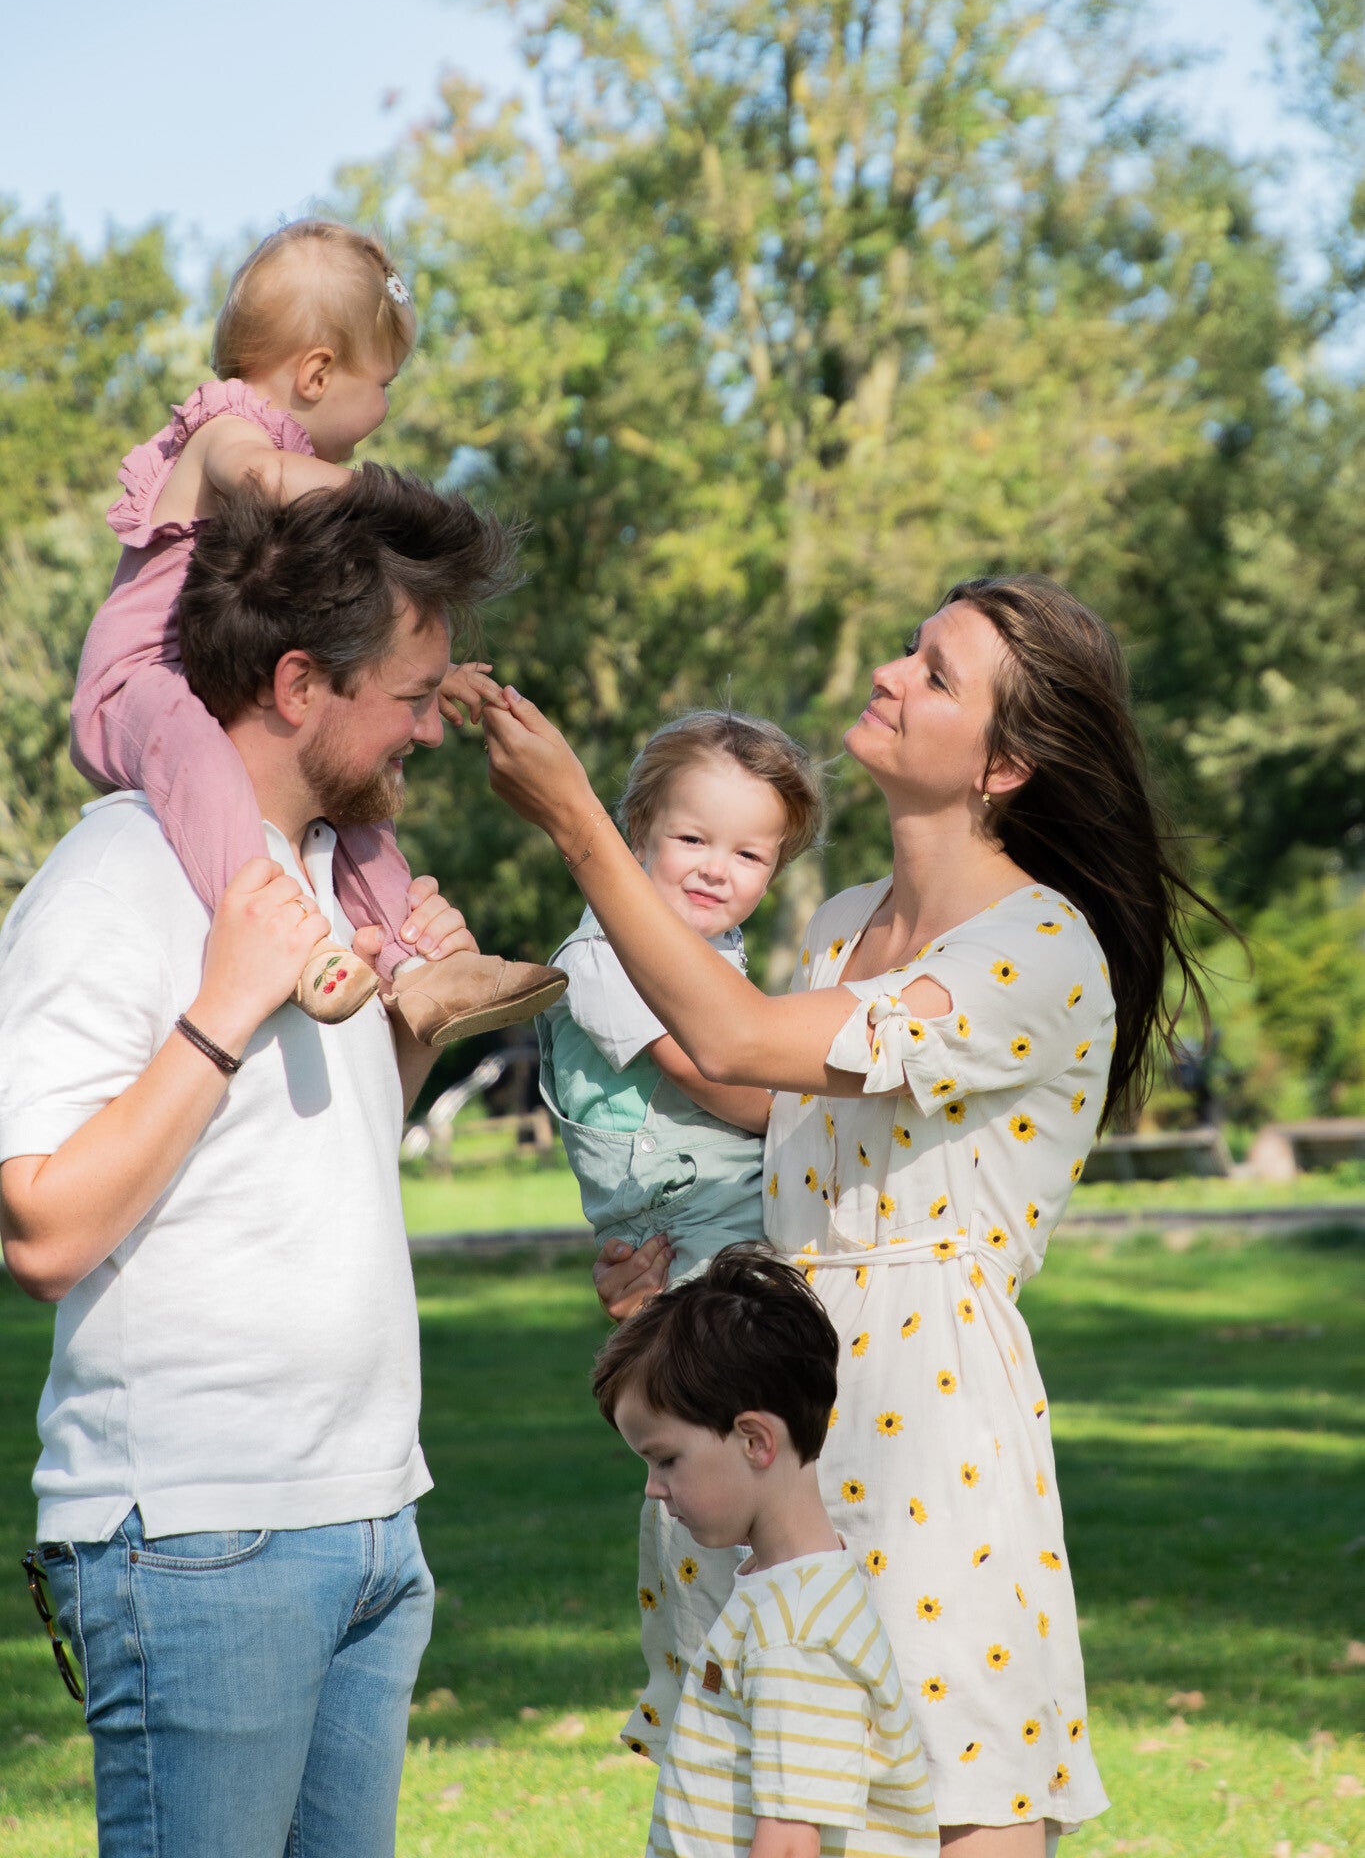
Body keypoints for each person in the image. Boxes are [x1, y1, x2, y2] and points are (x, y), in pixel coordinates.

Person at [480, 573, 1221, 1854]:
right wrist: (676, 1290)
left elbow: (729, 1036)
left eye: (935, 674)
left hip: (927, 1424)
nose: (888, 673)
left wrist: (577, 821)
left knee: (949, 1779)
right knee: (743, 1794)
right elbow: (781, 1158)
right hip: (763, 1401)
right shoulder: (833, 927)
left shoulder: (1039, 947)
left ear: (1007, 763)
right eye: (908, 650)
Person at [0, 466, 517, 1856]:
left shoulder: (327, 875)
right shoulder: (117, 876)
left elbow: (292, 1160)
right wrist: (225, 1004)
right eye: (413, 694)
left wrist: (415, 1036)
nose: (432, 727)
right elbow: (40, 1232)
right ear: (298, 684)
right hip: (197, 1538)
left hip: (368, 1522)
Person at [69, 217, 564, 1045]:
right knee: (201, 761)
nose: (384, 409)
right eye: (385, 384)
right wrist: (383, 502)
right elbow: (261, 479)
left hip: (221, 668)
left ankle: (416, 965)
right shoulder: (226, 429)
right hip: (136, 686)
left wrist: (425, 679)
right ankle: (276, 933)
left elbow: (323, 637)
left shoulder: (282, 453)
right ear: (317, 372)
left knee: (353, 788)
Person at [542, 710, 822, 1753]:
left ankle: (767, 1695)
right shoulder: (611, 950)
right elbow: (735, 1084)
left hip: (729, 1233)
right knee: (717, 1463)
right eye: (692, 839)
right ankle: (709, 1707)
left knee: (773, 1458)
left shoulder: (713, 948)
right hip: (703, 1245)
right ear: (632, 828)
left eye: (750, 852)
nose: (717, 869)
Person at [593, 1244, 938, 1858]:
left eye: (666, 1458)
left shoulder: (796, 1636)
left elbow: (788, 1846)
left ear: (754, 1441)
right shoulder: (782, 1591)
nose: (654, 1487)